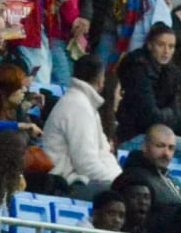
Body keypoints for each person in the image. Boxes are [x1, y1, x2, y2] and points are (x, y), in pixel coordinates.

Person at [41, 54, 121, 196]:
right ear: (101, 79)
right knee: (123, 199)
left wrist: (120, 178)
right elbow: (86, 165)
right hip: (68, 185)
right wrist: (119, 183)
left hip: (85, 180)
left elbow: (104, 153)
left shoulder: (86, 105)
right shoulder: (77, 106)